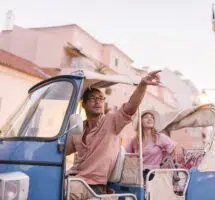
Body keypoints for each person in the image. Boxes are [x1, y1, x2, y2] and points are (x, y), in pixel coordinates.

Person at [65, 70, 161, 199]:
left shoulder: (111, 121)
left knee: (61, 190)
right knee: (47, 183)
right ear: (84, 104)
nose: (98, 102)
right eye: (92, 98)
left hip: (92, 185)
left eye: (100, 98)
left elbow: (130, 107)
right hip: (74, 178)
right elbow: (61, 151)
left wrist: (143, 84)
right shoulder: (78, 127)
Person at [125, 109, 184, 181]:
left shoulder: (159, 137)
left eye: (152, 117)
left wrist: (177, 146)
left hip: (153, 175)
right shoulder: (135, 140)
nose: (150, 119)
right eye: (146, 117)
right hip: (136, 174)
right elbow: (126, 154)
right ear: (140, 121)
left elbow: (174, 145)